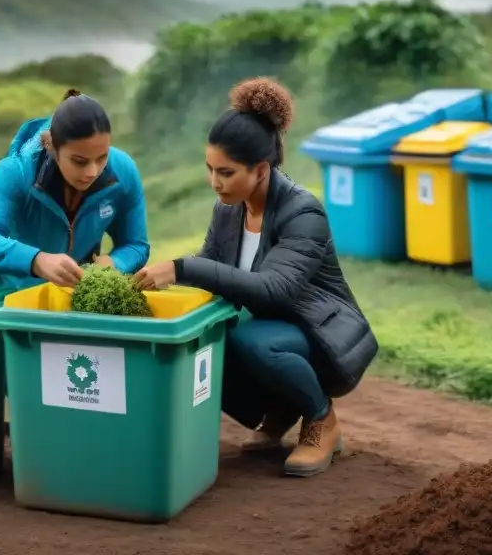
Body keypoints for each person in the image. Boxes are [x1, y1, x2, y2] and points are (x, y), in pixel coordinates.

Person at [133, 77, 378, 478]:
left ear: (261, 169)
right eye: (210, 170)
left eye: (226, 172)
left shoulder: (303, 213)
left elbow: (274, 291)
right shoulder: (229, 208)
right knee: (202, 335)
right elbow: (212, 269)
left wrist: (179, 268)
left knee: (246, 337)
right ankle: (282, 407)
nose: (215, 183)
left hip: (321, 337)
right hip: (272, 332)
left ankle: (321, 420)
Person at [0, 88, 150, 290]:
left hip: (79, 305)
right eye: (79, 161)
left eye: (102, 157)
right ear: (52, 147)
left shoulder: (123, 172)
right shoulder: (15, 172)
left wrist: (115, 264)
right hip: (19, 303)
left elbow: (136, 245)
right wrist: (36, 260)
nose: (92, 171)